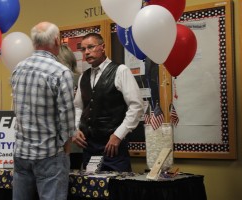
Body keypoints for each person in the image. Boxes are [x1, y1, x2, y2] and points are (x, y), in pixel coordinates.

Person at [11, 21, 75, 200]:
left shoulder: (18, 68)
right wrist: (65, 148)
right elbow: (67, 119)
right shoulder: (61, 72)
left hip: (21, 153)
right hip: (50, 154)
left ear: (33, 43)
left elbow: (16, 109)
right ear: (57, 40)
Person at [72, 33, 144, 172]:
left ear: (103, 47)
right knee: (91, 190)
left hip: (113, 147)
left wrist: (118, 135)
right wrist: (76, 129)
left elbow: (136, 106)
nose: (86, 52)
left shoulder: (120, 71)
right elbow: (78, 107)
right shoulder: (83, 77)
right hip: (89, 147)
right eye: (83, 49)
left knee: (117, 190)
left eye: (91, 47)